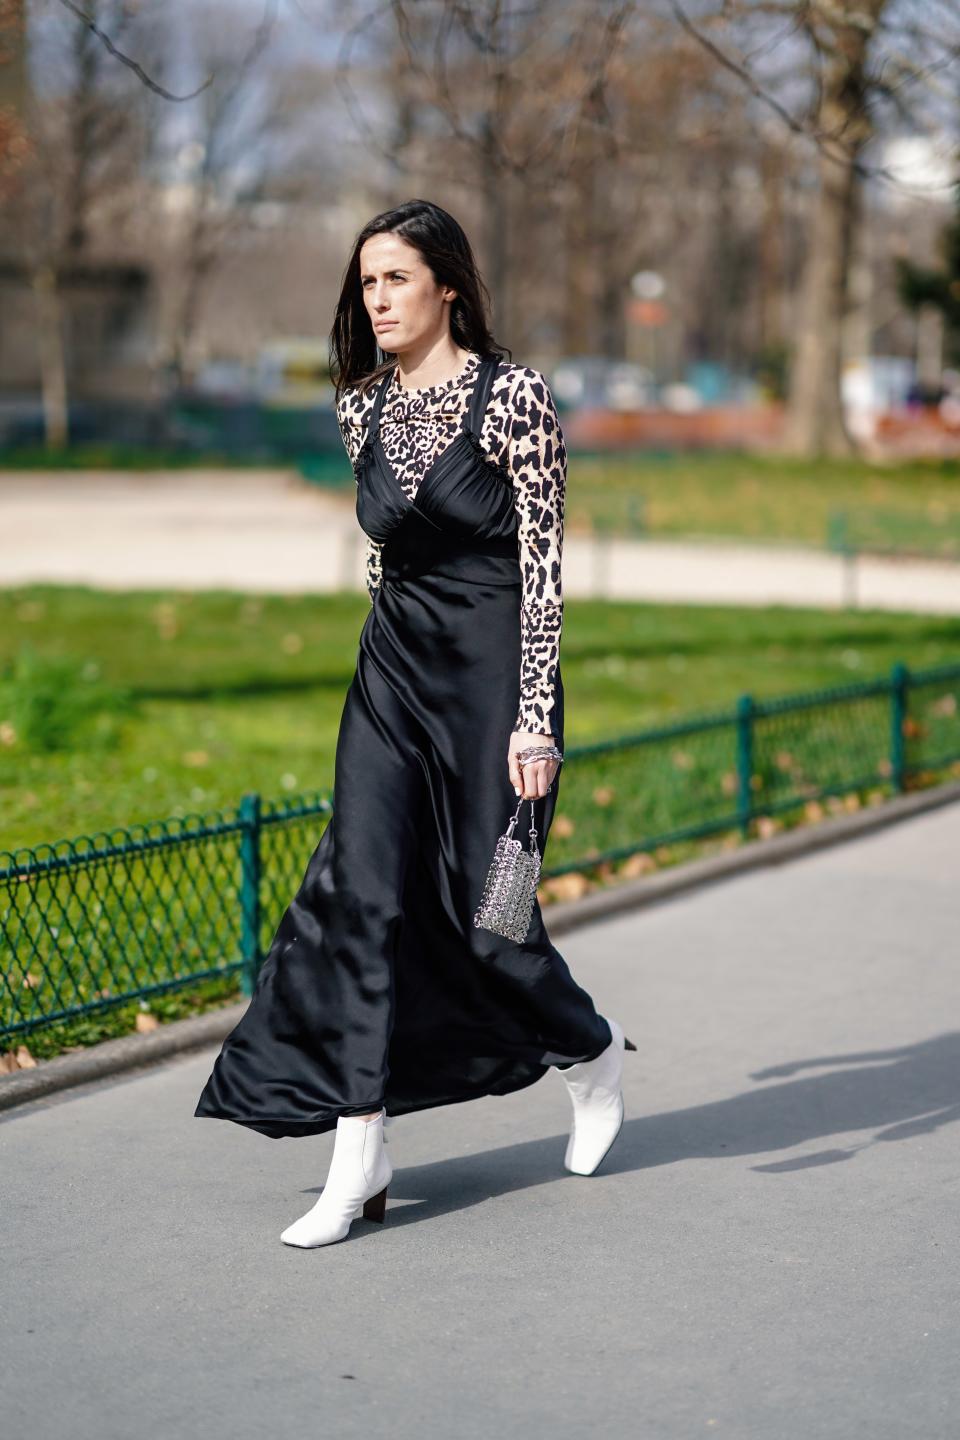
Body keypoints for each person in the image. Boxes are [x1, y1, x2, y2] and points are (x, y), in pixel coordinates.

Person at [194, 198, 635, 1247]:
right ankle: (359, 1154)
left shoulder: (514, 395)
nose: (375, 299)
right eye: (365, 282)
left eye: (394, 277)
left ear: (446, 282)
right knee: (363, 908)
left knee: (496, 929)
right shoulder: (362, 409)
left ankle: (593, 1053)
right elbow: (389, 565)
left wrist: (535, 721)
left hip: (495, 698)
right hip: (391, 683)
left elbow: (543, 577)